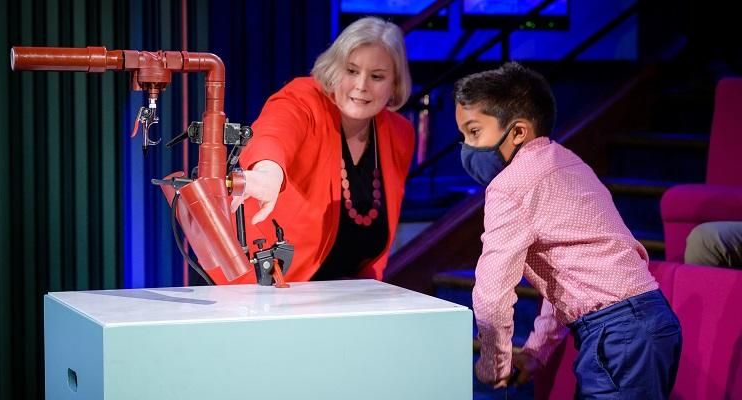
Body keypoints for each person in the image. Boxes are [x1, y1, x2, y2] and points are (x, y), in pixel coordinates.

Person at [455, 62, 682, 398]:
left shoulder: (509, 187)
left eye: (474, 132)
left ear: (518, 131)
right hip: (650, 322)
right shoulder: (569, 162)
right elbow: (564, 283)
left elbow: (491, 296)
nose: (467, 148)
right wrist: (536, 352)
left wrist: (494, 364)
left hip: (616, 334)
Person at [210, 17, 415, 284]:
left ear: (395, 84)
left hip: (348, 298)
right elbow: (275, 131)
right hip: (263, 286)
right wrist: (268, 171)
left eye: (377, 76)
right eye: (351, 71)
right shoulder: (303, 98)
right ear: (335, 69)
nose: (361, 85)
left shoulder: (400, 134)